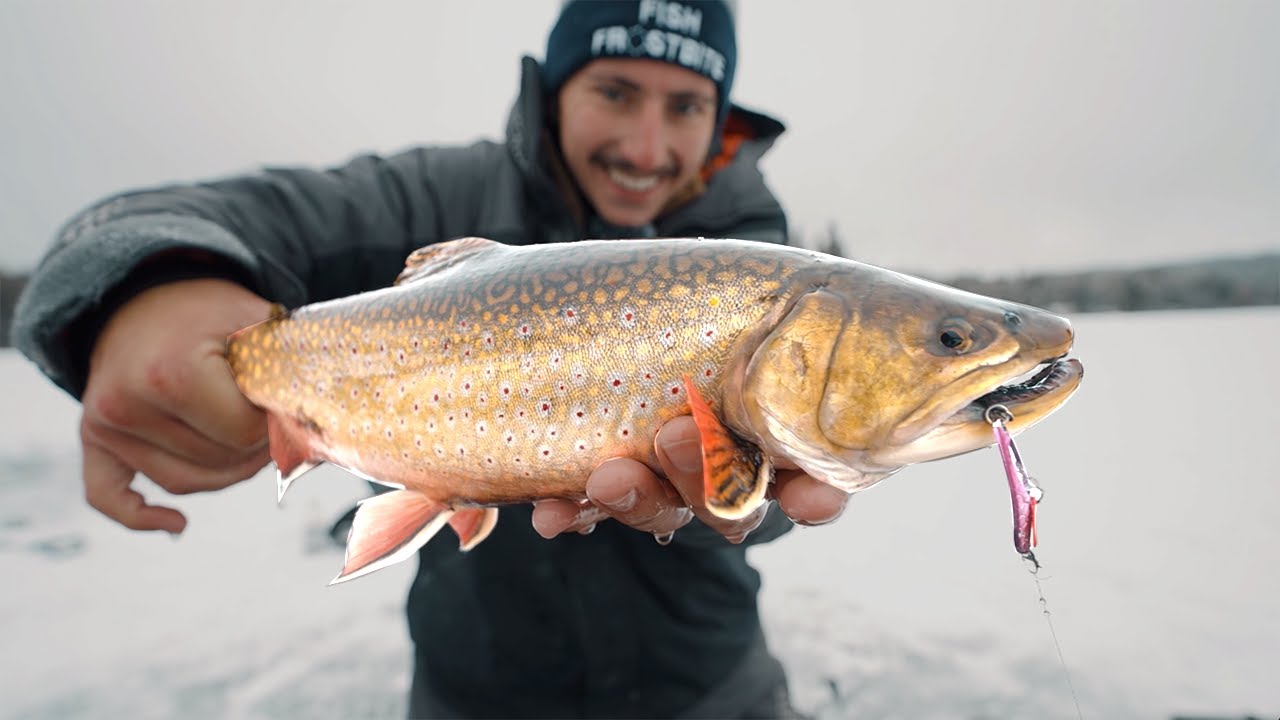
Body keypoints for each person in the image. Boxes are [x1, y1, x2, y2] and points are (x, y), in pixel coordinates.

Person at [14, 1, 849, 717]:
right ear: (556, 88)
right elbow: (133, 221)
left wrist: (746, 502)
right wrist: (148, 288)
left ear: (720, 118)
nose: (644, 145)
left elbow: (779, 489)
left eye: (686, 106)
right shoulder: (434, 197)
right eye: (615, 91)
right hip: (473, 691)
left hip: (708, 690)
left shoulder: (756, 256)